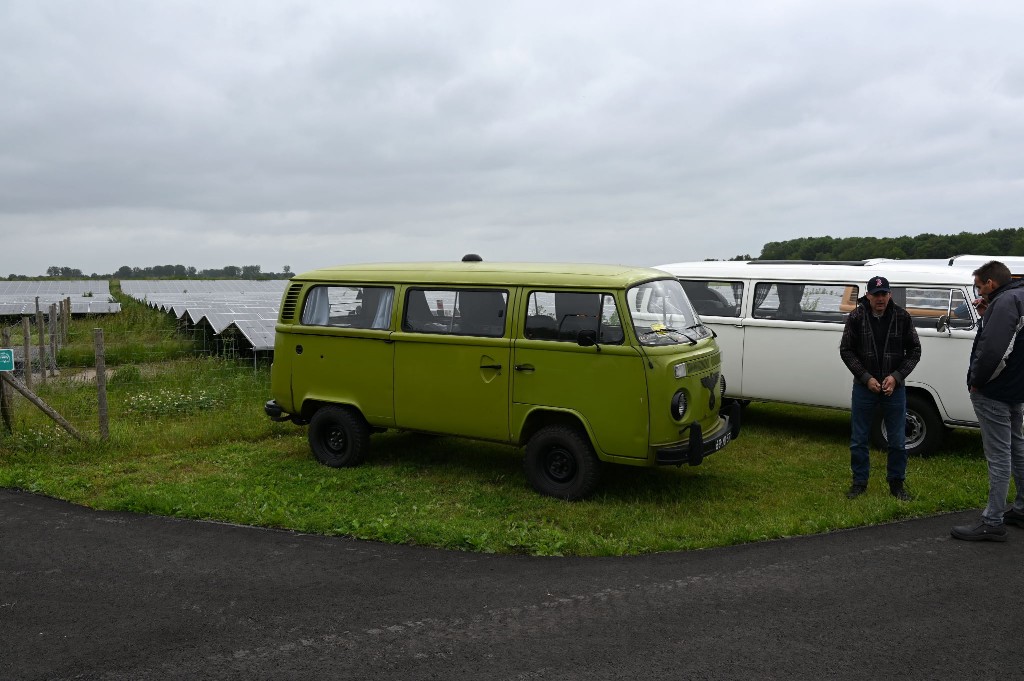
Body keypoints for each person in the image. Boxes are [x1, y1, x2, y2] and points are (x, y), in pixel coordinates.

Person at [951, 261, 1024, 541]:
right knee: (1017, 447)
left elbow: (995, 350)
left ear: (990, 284)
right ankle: (1021, 508)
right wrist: (985, 315)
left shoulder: (1005, 302)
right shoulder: (1019, 296)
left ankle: (992, 520)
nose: (979, 291)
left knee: (998, 454)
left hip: (994, 390)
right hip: (1017, 388)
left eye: (980, 286)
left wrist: (976, 381)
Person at [839, 276, 922, 500]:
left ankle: (897, 484)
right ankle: (859, 483)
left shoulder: (902, 317)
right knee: (859, 439)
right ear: (867, 296)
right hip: (864, 387)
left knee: (897, 439)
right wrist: (866, 378)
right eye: (876, 294)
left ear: (890, 295)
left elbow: (915, 351)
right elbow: (846, 350)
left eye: (884, 294)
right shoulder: (856, 317)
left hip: (894, 388)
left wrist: (896, 377)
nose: (880, 299)